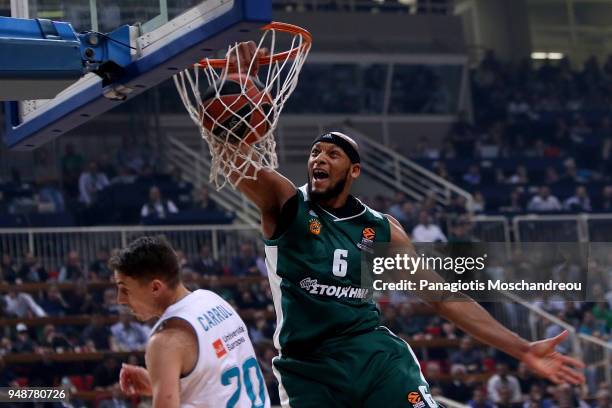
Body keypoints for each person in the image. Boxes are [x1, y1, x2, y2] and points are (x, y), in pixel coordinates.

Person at [215, 41, 586, 408]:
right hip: (308, 368)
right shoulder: (288, 204)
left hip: (374, 357)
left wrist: (521, 348)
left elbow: (443, 299)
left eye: (333, 153)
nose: (319, 158)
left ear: (354, 170)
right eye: (315, 152)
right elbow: (234, 159)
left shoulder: (381, 229)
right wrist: (234, 85)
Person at [111, 236, 269, 408]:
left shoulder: (165, 341)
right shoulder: (213, 300)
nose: (120, 300)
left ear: (155, 287)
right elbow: (213, 380)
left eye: (125, 289)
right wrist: (160, 382)